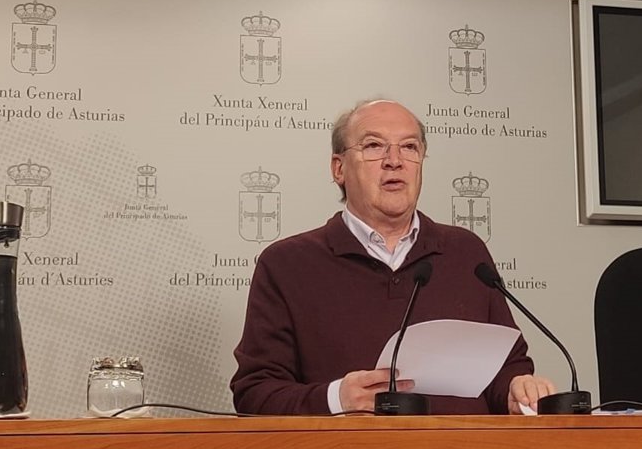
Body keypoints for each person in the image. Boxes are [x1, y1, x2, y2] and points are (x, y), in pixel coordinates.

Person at [231, 98, 555, 415]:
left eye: (410, 147)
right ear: (339, 168)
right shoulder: (287, 264)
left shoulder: (466, 252)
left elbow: (506, 369)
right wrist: (337, 399)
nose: (394, 161)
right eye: (374, 146)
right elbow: (254, 392)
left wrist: (517, 389)